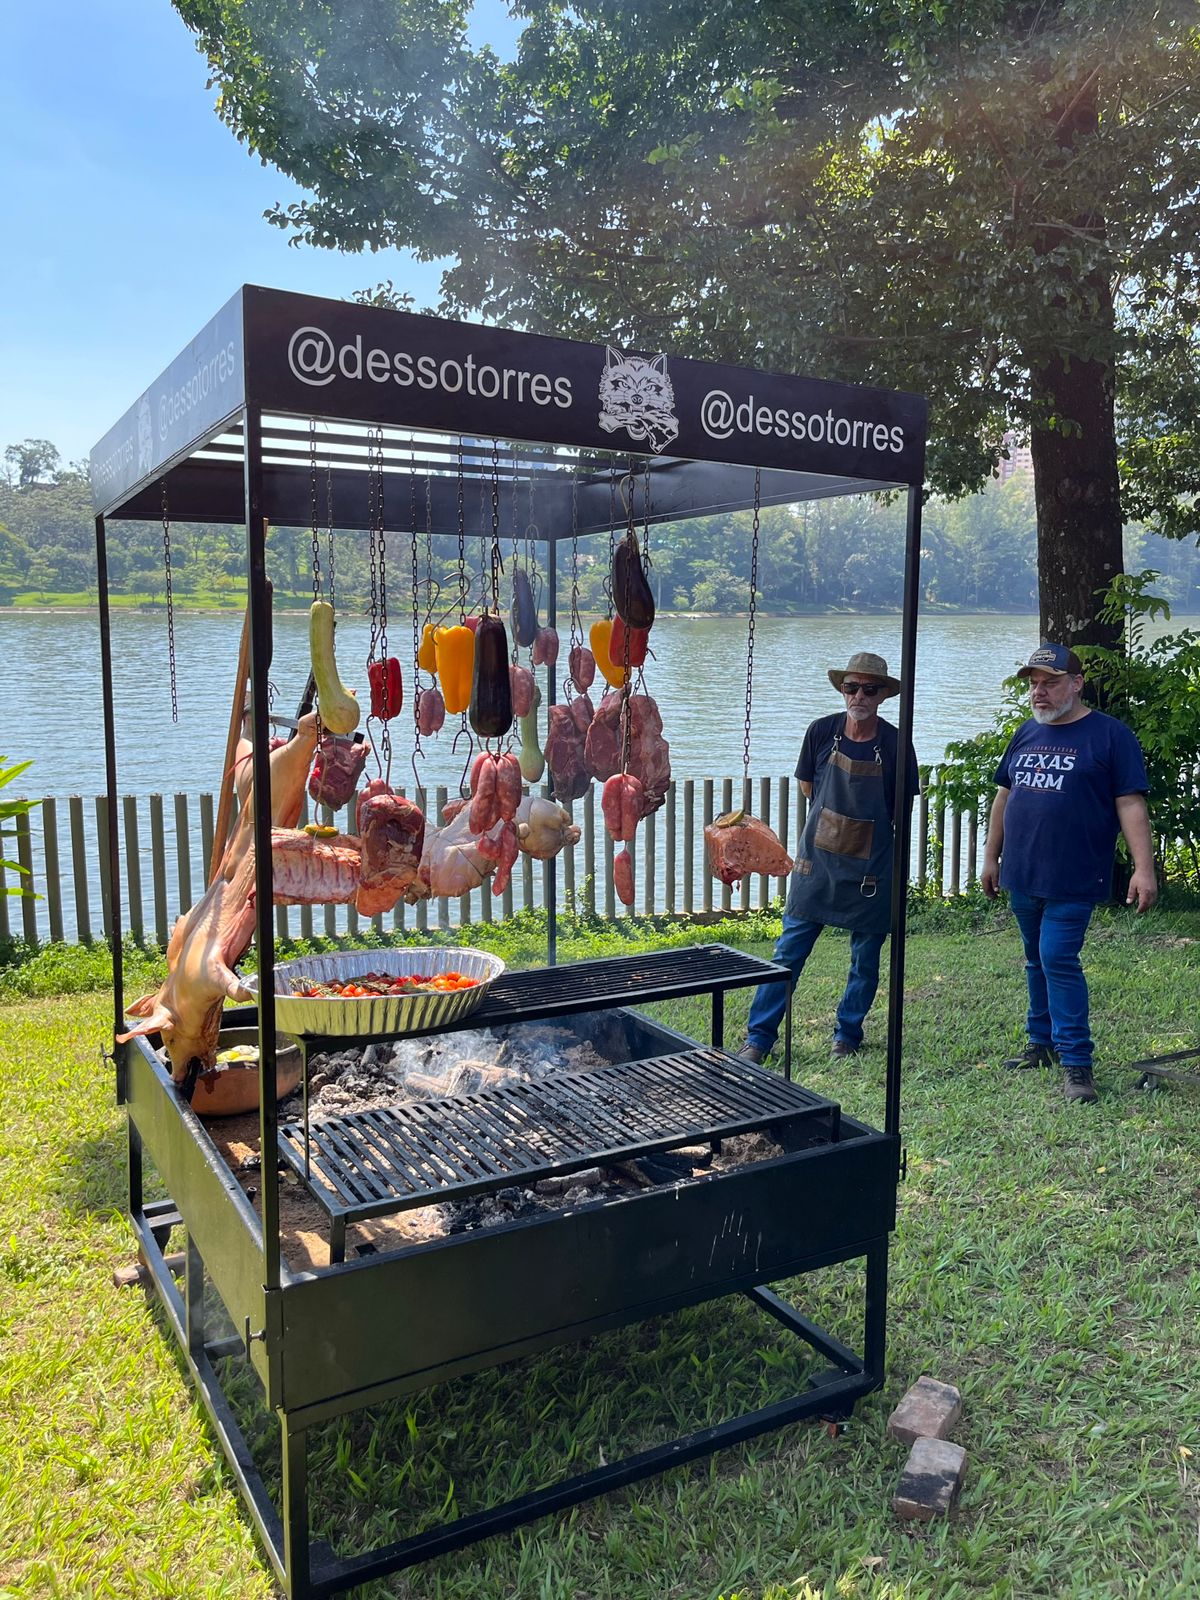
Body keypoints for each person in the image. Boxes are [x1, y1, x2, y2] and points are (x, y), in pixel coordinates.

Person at [981, 642, 1157, 1104]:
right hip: (1022, 871)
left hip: (1075, 875)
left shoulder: (1110, 736)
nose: (1039, 693)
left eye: (1050, 683)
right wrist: (990, 857)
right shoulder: (1025, 733)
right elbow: (1004, 797)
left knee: (1058, 957)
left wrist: (1144, 869)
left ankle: (1078, 1063)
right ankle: (1041, 1044)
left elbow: (1131, 803)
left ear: (1076, 684)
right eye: (1034, 685)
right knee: (1034, 958)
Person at [742, 651, 919, 1064]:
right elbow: (808, 786)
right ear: (842, 691)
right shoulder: (821, 732)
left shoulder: (895, 743)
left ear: (882, 696)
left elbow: (900, 810)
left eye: (868, 689)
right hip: (816, 865)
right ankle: (759, 1039)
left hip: (871, 870)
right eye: (851, 687)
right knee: (788, 953)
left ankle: (847, 1035)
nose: (859, 695)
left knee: (864, 960)